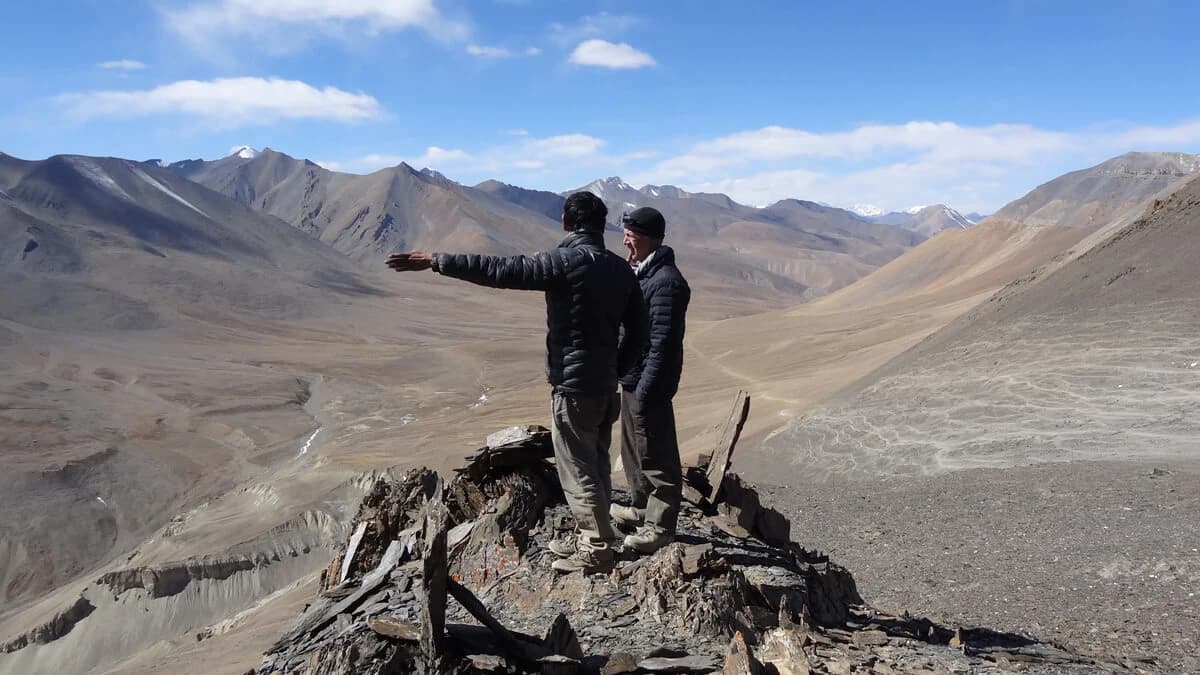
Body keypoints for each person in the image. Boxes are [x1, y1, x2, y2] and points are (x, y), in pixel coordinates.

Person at [386, 191, 647, 574]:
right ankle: (598, 533)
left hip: (574, 387)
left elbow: (500, 270)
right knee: (596, 463)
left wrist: (436, 261)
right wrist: (615, 368)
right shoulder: (620, 269)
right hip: (605, 386)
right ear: (601, 224)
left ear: (564, 222)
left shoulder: (563, 262)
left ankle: (595, 547)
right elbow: (640, 330)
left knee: (576, 467)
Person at [611, 206, 691, 554]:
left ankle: (660, 526)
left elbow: (663, 343)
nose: (625, 240)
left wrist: (646, 389)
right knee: (634, 451)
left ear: (644, 238)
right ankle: (642, 509)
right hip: (633, 378)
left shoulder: (666, 283)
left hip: (649, 383)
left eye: (629, 235)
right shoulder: (643, 273)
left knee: (656, 455)